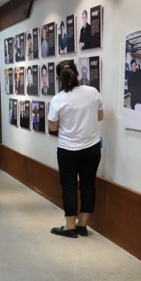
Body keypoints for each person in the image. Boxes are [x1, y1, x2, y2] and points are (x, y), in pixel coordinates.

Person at [47, 60, 104, 238]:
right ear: (77, 73)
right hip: (92, 148)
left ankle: (70, 227)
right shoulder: (93, 92)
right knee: (88, 185)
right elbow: (100, 117)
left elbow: (52, 127)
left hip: (68, 150)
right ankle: (82, 225)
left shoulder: (57, 99)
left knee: (69, 186)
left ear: (59, 78)